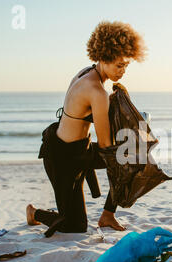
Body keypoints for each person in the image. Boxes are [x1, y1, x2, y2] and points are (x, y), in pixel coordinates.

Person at [26, 21, 146, 236]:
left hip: (82, 150)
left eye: (126, 65)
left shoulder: (87, 72)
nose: (123, 71)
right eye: (119, 65)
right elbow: (108, 146)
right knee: (74, 226)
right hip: (63, 159)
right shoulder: (96, 91)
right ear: (103, 57)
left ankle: (107, 215)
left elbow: (88, 116)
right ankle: (34, 213)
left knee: (131, 158)